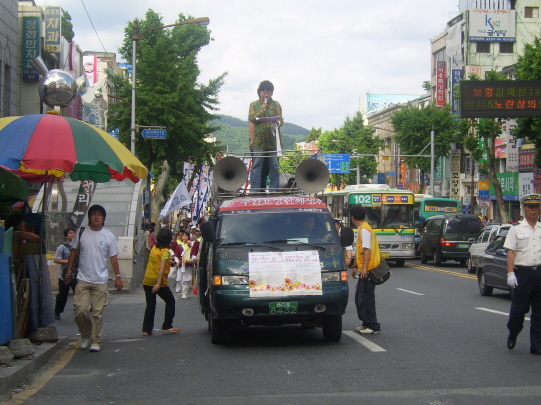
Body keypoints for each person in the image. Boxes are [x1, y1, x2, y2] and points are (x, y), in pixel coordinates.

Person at [66, 205, 122, 353]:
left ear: (103, 218)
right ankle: (85, 335)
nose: (96, 217)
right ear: (89, 217)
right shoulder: (82, 232)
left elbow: (113, 258)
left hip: (100, 280)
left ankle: (96, 340)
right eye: (93, 214)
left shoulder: (108, 235)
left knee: (97, 313)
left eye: (99, 215)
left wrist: (118, 277)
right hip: (83, 278)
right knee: (80, 310)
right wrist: (69, 269)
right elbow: (73, 251)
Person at [504, 193, 541, 354]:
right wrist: (510, 273)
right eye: (530, 207)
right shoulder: (516, 229)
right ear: (524, 208)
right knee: (518, 312)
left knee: (539, 313)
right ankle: (513, 332)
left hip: (539, 273)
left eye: (537, 207)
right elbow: (511, 252)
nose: (534, 210)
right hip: (522, 274)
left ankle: (536, 345)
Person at [350, 205, 382, 335]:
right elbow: (360, 251)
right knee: (360, 297)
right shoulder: (363, 228)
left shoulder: (364, 230)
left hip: (368, 270)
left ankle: (373, 325)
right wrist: (355, 266)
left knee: (367, 299)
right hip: (365, 269)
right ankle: (366, 323)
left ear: (352, 217)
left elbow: (367, 250)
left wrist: (363, 269)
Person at [142, 228, 179, 335]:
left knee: (150, 305)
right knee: (171, 301)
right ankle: (167, 325)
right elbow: (161, 268)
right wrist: (158, 284)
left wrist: (170, 263)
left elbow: (158, 262)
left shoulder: (154, 248)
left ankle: (146, 329)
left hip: (147, 280)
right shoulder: (165, 252)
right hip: (158, 282)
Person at [248, 80, 283, 192]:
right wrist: (262, 110)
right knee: (257, 165)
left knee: (274, 165)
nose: (266, 94)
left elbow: (281, 119)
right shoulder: (254, 105)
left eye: (268, 92)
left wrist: (277, 122)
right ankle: (255, 190)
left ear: (272, 93)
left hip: (273, 140)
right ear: (259, 92)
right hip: (259, 140)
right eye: (264, 92)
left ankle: (274, 190)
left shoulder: (276, 104)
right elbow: (252, 119)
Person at [54, 227, 77, 320]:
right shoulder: (62, 247)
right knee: (63, 294)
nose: (73, 234)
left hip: (76, 274)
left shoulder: (77, 247)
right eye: (71, 233)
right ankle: (57, 311)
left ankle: (79, 312)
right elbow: (56, 259)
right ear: (66, 236)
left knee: (79, 294)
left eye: (74, 233)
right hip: (64, 275)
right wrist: (68, 262)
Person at [173, 231, 193, 298]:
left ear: (188, 237)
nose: (183, 237)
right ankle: (188, 288)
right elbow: (176, 255)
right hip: (181, 264)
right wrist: (177, 261)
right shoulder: (180, 246)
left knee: (186, 279)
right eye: (183, 236)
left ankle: (184, 293)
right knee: (178, 279)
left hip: (188, 264)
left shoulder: (191, 244)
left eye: (185, 236)